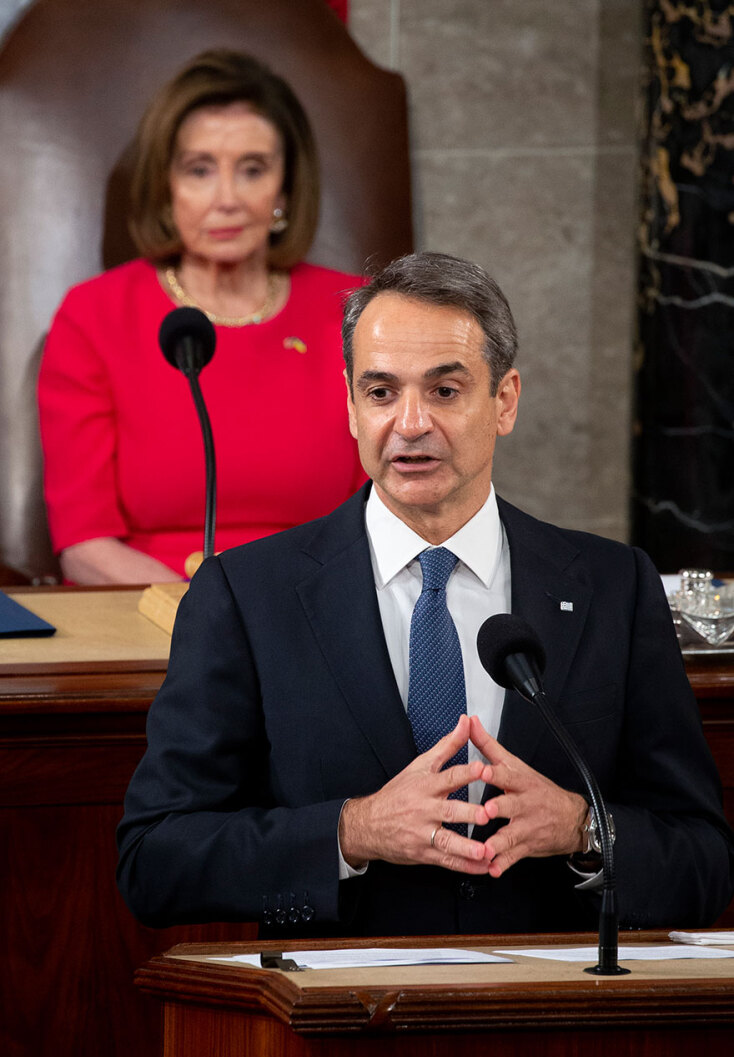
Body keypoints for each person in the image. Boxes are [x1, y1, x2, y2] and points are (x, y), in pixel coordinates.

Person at [117, 251, 734, 936]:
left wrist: (583, 828)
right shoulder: (247, 595)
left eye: (444, 390)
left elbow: (704, 862)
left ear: (505, 401)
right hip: (342, 999)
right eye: (382, 392)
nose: (410, 423)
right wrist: (352, 831)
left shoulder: (614, 587)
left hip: (550, 996)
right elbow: (155, 860)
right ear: (351, 406)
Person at [37, 50, 364, 584]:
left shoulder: (358, 311)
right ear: (166, 189)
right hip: (146, 607)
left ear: (284, 190)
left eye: (253, 170)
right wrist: (204, 615)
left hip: (318, 602)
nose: (227, 199)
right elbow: (85, 546)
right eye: (200, 170)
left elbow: (388, 517)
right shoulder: (94, 316)